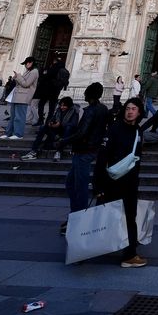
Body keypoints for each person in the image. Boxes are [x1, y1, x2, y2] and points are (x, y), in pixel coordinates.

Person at [97, 98, 147, 268]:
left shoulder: (138, 131)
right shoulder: (115, 128)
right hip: (112, 181)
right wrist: (98, 185)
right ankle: (84, 247)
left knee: (130, 217)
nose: (130, 111)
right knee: (105, 217)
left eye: (133, 109)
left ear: (139, 112)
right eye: (127, 108)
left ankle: (130, 253)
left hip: (130, 182)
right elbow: (102, 156)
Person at [58, 82, 109, 215]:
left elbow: (82, 132)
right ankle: (75, 213)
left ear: (89, 95)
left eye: (86, 92)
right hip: (91, 149)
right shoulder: (103, 109)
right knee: (71, 183)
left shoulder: (90, 111)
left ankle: (79, 216)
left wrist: (63, 141)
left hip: (83, 151)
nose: (84, 94)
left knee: (79, 187)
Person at [3, 57, 38, 139]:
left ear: (31, 62)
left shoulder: (34, 72)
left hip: (24, 97)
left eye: (27, 63)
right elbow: (20, 83)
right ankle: (9, 133)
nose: (26, 65)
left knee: (19, 117)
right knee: (13, 116)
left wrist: (18, 76)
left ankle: (18, 134)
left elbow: (26, 84)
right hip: (17, 96)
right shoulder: (28, 72)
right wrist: (16, 77)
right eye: (25, 64)